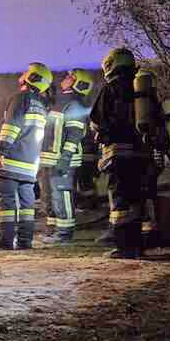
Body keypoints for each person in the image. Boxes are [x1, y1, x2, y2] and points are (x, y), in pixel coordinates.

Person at [89, 47, 149, 259]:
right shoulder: (141, 89)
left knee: (121, 202)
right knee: (136, 200)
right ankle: (138, 246)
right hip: (142, 154)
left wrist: (99, 133)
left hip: (119, 153)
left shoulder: (112, 88)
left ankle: (125, 247)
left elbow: (96, 120)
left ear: (110, 65)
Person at [0, 62, 51, 250]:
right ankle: (25, 241)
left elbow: (11, 128)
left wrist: (0, 153)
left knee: (5, 201)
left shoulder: (20, 98)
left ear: (33, 77)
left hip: (12, 160)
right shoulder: (41, 104)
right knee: (27, 206)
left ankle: (4, 241)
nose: (23, 73)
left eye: (27, 72)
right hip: (30, 165)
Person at [39, 68, 94, 244]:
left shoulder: (74, 105)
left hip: (63, 160)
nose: (66, 78)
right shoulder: (60, 102)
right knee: (49, 196)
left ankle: (64, 233)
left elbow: (75, 134)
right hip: (49, 159)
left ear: (78, 83)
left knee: (62, 194)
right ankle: (53, 229)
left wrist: (65, 157)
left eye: (71, 77)